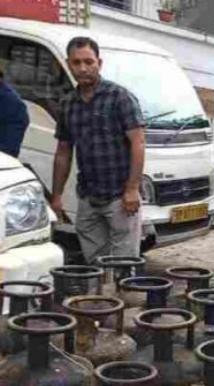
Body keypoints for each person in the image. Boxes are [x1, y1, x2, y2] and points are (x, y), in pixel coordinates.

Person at [50, 36, 145, 261]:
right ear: (68, 64)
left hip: (120, 197)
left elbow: (138, 143)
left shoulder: (119, 97)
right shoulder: (67, 104)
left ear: (99, 63)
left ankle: (121, 285)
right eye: (76, 62)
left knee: (123, 264)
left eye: (88, 62)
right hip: (88, 197)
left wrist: (132, 189)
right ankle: (100, 286)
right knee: (94, 263)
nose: (83, 68)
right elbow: (63, 152)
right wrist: (56, 196)